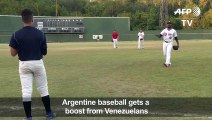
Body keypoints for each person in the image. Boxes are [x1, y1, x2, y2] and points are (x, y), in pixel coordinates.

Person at [9, 9, 55, 120]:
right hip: (38, 62)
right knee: (43, 88)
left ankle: (29, 117)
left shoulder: (16, 34)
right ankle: (49, 114)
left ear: (22, 20)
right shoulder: (41, 34)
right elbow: (44, 52)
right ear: (32, 19)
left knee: (26, 90)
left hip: (24, 64)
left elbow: (13, 53)